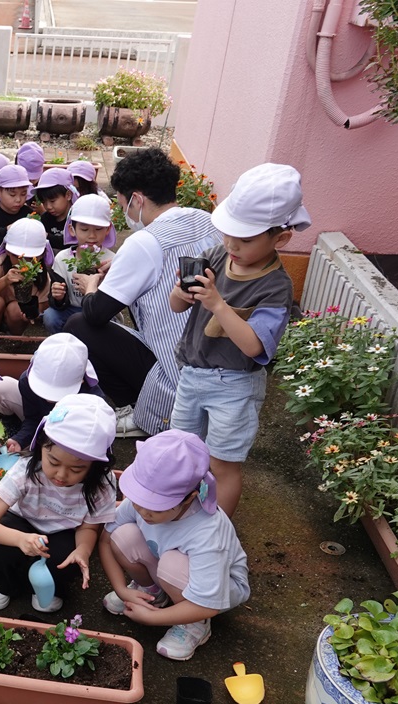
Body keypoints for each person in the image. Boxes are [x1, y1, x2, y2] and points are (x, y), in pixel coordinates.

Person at [170, 163, 307, 516]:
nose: (231, 244)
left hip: (234, 385)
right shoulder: (218, 255)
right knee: (181, 449)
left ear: (281, 238)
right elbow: (174, 306)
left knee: (222, 464)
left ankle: (217, 531)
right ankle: (177, 512)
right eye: (228, 233)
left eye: (245, 239)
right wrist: (182, 293)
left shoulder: (276, 287)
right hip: (193, 372)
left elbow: (253, 345)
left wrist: (217, 303)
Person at [64, 148, 222, 438]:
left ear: (136, 199)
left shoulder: (144, 241)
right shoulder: (205, 219)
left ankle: (137, 408)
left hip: (176, 373)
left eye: (122, 204)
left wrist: (90, 287)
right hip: (217, 364)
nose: (125, 213)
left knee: (79, 325)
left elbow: (97, 313)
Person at [98, 429, 250, 661]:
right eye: (139, 499)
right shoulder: (142, 504)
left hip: (215, 590)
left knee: (171, 565)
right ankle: (151, 592)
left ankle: (194, 624)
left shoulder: (207, 531)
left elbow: (207, 604)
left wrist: (150, 619)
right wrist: (121, 588)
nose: (144, 511)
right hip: (169, 566)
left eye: (157, 507)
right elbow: (106, 539)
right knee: (123, 535)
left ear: (189, 497)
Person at [0, 394, 117, 613]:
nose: (61, 474)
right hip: (21, 521)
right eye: (53, 461)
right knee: (3, 542)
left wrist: (83, 550)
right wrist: (20, 539)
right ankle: (1, 580)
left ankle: (51, 586)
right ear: (41, 445)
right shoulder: (26, 470)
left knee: (64, 558)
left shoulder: (102, 484)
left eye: (77, 469)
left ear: (96, 466)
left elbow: (88, 526)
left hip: (63, 531)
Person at [0, 333, 98, 453]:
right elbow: (32, 418)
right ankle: (15, 435)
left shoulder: (91, 400)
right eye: (43, 390)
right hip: (41, 421)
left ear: (81, 381)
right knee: (2, 386)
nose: (49, 399)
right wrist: (20, 439)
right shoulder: (27, 382)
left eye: (59, 393)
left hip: (70, 435)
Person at [44, 193, 118, 334]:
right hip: (71, 309)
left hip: (100, 310)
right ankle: (62, 343)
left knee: (111, 322)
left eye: (98, 229)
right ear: (72, 229)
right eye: (84, 230)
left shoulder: (111, 260)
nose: (91, 236)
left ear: (108, 229)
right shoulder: (62, 258)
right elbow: (57, 299)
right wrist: (58, 297)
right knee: (50, 316)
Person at [0, 217, 54, 336]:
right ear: (7, 251)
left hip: (15, 316)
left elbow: (44, 303)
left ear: (41, 255)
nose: (22, 262)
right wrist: (4, 280)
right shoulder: (0, 263)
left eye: (30, 258)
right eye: (17, 256)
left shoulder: (42, 273)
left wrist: (31, 313)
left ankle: (13, 339)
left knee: (16, 309)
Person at [0, 164, 34, 255]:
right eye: (12, 195)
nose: (18, 199)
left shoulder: (28, 213)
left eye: (23, 194)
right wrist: (9, 229)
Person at [33, 167, 78, 253]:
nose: (48, 206)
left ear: (68, 195)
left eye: (52, 201)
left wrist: (46, 236)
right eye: (44, 202)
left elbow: (72, 242)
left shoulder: (77, 218)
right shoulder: (46, 218)